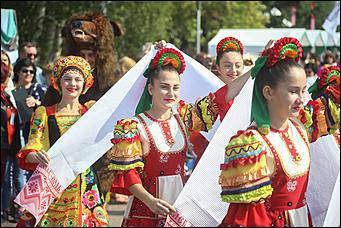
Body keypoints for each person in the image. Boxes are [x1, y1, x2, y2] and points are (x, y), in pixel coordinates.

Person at [108, 44, 246, 226]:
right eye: (164, 87)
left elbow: (223, 95)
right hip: (145, 210)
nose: (171, 93)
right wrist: (150, 201)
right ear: (151, 89)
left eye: (175, 88)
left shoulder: (184, 117)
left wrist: (257, 68)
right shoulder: (134, 127)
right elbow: (129, 175)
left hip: (178, 207)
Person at [218, 37, 340, 227]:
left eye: (303, 91)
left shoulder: (301, 126)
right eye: (293, 91)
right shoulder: (251, 143)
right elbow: (251, 218)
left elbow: (331, 106)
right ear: (268, 92)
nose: (301, 99)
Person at [15, 56, 110, 227]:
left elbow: (121, 105)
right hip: (52, 183)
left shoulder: (90, 111)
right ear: (57, 82)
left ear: (85, 83)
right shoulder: (44, 113)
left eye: (77, 79)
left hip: (85, 183)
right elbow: (31, 148)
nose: (72, 83)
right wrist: (37, 156)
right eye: (67, 79)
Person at [1, 62, 22, 224]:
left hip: (13, 144)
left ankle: (14, 210)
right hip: (4, 144)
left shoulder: (9, 94)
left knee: (14, 178)